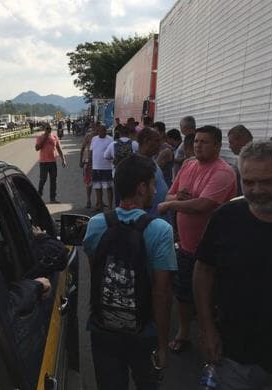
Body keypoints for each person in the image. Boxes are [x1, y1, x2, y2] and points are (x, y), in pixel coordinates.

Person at [194, 140, 272, 389]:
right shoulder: (226, 217)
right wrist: (206, 328)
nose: (257, 190)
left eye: (267, 181)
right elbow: (204, 270)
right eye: (248, 182)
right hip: (232, 354)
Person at [83, 154, 177, 390]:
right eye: (153, 184)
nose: (155, 192)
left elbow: (95, 271)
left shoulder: (95, 224)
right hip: (143, 333)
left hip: (103, 329)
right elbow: (161, 293)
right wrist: (163, 346)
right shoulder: (161, 230)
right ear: (141, 187)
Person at [157, 125, 237, 353]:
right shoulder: (189, 164)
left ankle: (209, 335)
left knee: (210, 297)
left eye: (205, 142)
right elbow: (169, 193)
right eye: (196, 141)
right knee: (183, 293)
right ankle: (183, 332)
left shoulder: (223, 172)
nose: (198, 145)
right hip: (185, 245)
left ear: (218, 146)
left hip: (211, 250)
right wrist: (176, 199)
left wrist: (173, 204)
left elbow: (203, 204)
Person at [137, 128, 169, 222]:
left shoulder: (152, 162)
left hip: (160, 218)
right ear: (146, 141)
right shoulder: (137, 165)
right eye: (157, 141)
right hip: (151, 220)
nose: (160, 144)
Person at [35, 124, 67, 203]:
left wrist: (63, 159)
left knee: (53, 180)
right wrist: (45, 138)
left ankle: (53, 198)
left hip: (53, 162)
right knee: (43, 180)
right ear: (44, 129)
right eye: (47, 128)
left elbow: (59, 148)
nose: (49, 130)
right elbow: (37, 148)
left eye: (50, 128)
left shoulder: (55, 137)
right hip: (44, 162)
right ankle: (38, 196)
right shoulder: (40, 137)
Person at [90, 125, 114, 211]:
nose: (102, 132)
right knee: (97, 187)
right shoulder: (94, 139)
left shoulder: (110, 139)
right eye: (100, 130)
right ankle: (100, 205)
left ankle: (110, 207)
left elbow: (112, 152)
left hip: (107, 167)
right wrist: (90, 164)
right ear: (97, 131)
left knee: (108, 187)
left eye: (104, 130)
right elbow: (91, 151)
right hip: (96, 167)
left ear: (106, 131)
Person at [228, 124, 253, 195]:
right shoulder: (240, 159)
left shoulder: (254, 162)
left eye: (231, 143)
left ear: (242, 140)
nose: (229, 147)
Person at [80, 123, 98, 208]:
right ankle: (88, 200)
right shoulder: (88, 136)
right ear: (93, 127)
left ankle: (99, 201)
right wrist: (81, 160)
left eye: (98, 127)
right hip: (89, 162)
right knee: (89, 183)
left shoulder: (102, 137)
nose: (96, 129)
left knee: (99, 183)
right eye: (95, 127)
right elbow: (83, 148)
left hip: (98, 163)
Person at [154, 122, 174, 187]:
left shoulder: (166, 149)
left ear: (162, 133)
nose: (152, 135)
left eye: (155, 132)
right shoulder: (156, 147)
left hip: (163, 184)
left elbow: (155, 169)